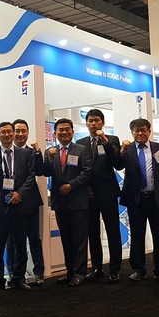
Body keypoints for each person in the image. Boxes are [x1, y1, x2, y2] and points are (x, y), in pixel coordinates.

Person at [116, 118, 159, 282]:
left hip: (157, 198)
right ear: (132, 133)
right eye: (136, 131)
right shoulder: (128, 150)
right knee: (137, 235)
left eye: (143, 130)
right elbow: (118, 165)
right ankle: (138, 269)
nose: (140, 133)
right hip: (136, 200)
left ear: (149, 131)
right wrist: (122, 150)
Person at [0, 121, 35, 292]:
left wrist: (20, 193)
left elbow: (31, 176)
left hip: (19, 203)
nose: (7, 135)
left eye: (9, 131)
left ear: (13, 134)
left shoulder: (25, 154)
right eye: (3, 132)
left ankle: (18, 278)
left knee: (20, 243)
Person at [43, 118, 92, 286]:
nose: (64, 132)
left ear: (72, 131)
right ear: (55, 133)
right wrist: (48, 159)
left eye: (67, 129)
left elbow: (87, 172)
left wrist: (71, 185)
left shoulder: (82, 150)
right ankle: (70, 271)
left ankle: (80, 273)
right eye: (60, 130)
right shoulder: (50, 152)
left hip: (78, 201)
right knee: (66, 238)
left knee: (80, 239)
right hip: (60, 202)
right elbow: (45, 172)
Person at [75, 109, 122, 283]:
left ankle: (115, 269)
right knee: (92, 233)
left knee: (113, 231)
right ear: (86, 123)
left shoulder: (112, 140)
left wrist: (105, 141)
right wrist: (83, 186)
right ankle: (96, 268)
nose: (93, 124)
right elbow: (78, 168)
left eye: (96, 120)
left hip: (108, 193)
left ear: (103, 122)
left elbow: (117, 162)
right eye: (90, 121)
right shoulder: (80, 143)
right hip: (88, 194)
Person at [6, 119, 46, 284]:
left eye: (24, 131)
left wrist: (39, 153)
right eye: (17, 131)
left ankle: (39, 272)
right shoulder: (6, 153)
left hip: (30, 201)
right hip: (11, 201)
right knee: (12, 240)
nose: (20, 134)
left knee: (34, 237)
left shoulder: (32, 152)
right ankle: (13, 272)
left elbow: (39, 171)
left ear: (28, 133)